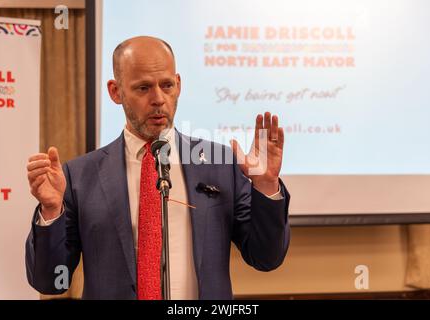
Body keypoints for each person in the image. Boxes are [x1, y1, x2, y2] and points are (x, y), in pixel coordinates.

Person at [25, 36, 290, 300]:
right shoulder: (80, 176)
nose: (159, 99)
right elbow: (50, 281)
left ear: (179, 84)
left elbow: (266, 257)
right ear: (115, 92)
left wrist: (266, 186)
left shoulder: (219, 164)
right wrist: (51, 211)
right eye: (143, 88)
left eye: (167, 85)